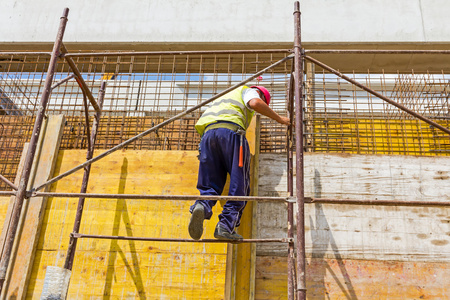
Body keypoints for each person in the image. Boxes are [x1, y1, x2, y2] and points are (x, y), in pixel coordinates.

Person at [188, 85, 290, 241]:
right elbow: (255, 103)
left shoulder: (223, 97)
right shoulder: (248, 90)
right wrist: (280, 119)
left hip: (207, 136)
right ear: (262, 95)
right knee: (239, 184)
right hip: (231, 134)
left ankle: (202, 205)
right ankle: (226, 226)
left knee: (210, 184)